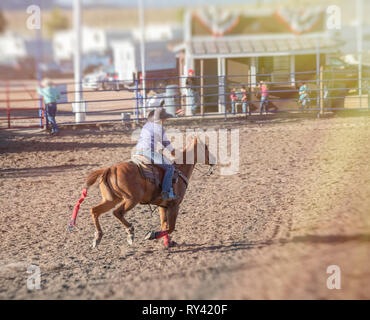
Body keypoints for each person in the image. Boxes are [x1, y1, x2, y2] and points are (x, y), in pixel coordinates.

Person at [135, 107, 178, 201]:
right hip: (148, 151)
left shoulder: (146, 125)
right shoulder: (159, 127)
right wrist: (173, 151)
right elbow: (165, 141)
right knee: (170, 167)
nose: (165, 121)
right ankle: (166, 192)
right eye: (164, 119)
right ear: (160, 120)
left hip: (138, 150)